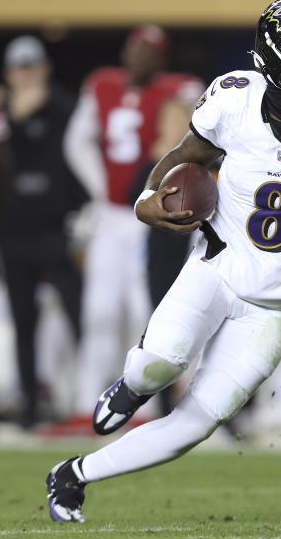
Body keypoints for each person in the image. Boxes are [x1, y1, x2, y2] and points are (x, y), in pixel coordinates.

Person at [45, 0, 281, 522]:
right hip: (215, 270)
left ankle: (72, 476)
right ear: (277, 56)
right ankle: (132, 385)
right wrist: (149, 198)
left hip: (275, 305)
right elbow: (186, 156)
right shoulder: (234, 98)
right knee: (159, 365)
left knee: (195, 424)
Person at [59, 25, 204, 432]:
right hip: (111, 214)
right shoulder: (102, 84)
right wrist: (101, 187)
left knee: (148, 310)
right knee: (99, 311)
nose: (139, 58)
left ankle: (141, 405)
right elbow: (76, 142)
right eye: (135, 49)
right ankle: (86, 400)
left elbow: (203, 123)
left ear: (163, 58)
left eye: (149, 51)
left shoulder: (181, 88)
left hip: (150, 212)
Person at [0, 35, 88, 429]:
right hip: (13, 229)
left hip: (57, 228)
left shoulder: (68, 109)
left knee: (81, 317)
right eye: (20, 67)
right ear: (8, 74)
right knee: (22, 321)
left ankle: (89, 401)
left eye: (32, 65)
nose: (27, 74)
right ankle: (30, 408)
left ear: (46, 68)